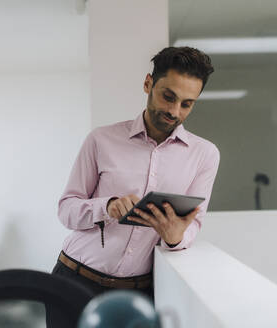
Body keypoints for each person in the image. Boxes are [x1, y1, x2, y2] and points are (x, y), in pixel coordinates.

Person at [47, 46, 220, 327]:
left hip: (140, 293)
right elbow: (66, 210)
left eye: (187, 104)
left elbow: (194, 224)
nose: (174, 111)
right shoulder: (101, 140)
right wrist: (106, 206)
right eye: (168, 96)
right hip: (75, 280)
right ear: (148, 84)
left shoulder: (205, 155)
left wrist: (175, 237)